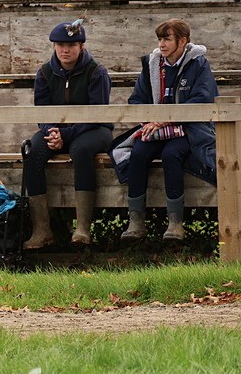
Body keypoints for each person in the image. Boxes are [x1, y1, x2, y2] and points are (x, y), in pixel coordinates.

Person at [113, 19, 219, 242]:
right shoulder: (152, 65)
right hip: (156, 128)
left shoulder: (199, 64)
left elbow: (203, 99)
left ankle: (175, 223)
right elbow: (137, 100)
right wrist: (153, 118)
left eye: (167, 39)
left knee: (172, 154)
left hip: (189, 128)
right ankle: (136, 221)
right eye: (160, 39)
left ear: (182, 41)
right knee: (138, 152)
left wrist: (167, 118)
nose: (161, 44)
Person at [22, 19, 113, 249]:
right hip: (58, 130)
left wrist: (66, 135)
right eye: (60, 44)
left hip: (94, 129)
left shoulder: (96, 72)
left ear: (81, 46)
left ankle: (82, 228)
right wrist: (51, 131)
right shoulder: (44, 72)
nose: (65, 50)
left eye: (71, 45)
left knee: (81, 150)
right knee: (32, 151)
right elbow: (42, 111)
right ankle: (42, 230)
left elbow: (96, 114)